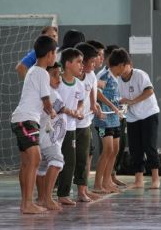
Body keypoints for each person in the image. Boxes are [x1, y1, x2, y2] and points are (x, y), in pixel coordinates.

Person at [10, 35, 57, 214]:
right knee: (35, 159)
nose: (55, 57)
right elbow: (46, 100)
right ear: (50, 54)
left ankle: (25, 203)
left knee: (27, 163)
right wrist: (52, 111)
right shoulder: (41, 72)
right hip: (26, 120)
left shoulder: (33, 70)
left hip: (22, 119)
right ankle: (28, 203)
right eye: (55, 53)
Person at [112, 48, 161, 189]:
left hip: (149, 114)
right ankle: (138, 180)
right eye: (118, 67)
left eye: (124, 66)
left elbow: (149, 91)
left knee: (149, 146)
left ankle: (155, 179)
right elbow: (119, 99)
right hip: (132, 117)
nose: (121, 70)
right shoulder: (117, 80)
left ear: (128, 64)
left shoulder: (140, 75)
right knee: (135, 149)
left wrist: (132, 101)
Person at [35, 62, 67, 211]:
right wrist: (75, 112)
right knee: (57, 161)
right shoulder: (49, 93)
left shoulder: (50, 92)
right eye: (54, 75)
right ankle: (48, 198)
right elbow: (61, 109)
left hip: (46, 137)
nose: (58, 78)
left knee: (41, 168)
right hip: (49, 137)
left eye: (59, 74)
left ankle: (41, 198)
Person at [93, 48, 124, 194]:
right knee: (107, 150)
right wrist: (111, 105)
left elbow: (114, 96)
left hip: (114, 118)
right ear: (120, 65)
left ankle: (107, 181)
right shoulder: (104, 75)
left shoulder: (116, 78)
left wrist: (119, 107)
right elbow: (97, 94)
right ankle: (98, 184)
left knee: (115, 149)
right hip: (104, 119)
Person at [56, 48, 85, 205]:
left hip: (71, 128)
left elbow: (81, 101)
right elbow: (53, 102)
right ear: (67, 64)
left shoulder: (79, 85)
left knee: (70, 161)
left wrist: (79, 111)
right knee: (52, 160)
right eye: (78, 62)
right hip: (55, 127)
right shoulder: (57, 82)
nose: (82, 65)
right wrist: (69, 111)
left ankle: (63, 194)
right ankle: (44, 193)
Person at [74, 42, 101, 202]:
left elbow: (91, 94)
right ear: (82, 62)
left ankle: (82, 190)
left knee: (84, 158)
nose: (94, 66)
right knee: (68, 159)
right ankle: (59, 191)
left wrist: (94, 105)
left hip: (84, 123)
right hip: (70, 125)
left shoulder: (91, 76)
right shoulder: (71, 77)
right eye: (92, 62)